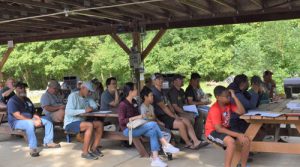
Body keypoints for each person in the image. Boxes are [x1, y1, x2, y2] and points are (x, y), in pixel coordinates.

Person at [118, 82, 179, 167]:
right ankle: (166, 145)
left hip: (137, 126)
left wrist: (142, 117)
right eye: (135, 89)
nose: (137, 90)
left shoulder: (134, 101)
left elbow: (138, 116)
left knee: (153, 131)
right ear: (130, 92)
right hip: (128, 130)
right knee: (153, 124)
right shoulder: (123, 104)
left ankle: (155, 159)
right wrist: (136, 117)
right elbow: (121, 121)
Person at [151, 73, 206, 149]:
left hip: (169, 114)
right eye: (158, 79)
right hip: (162, 116)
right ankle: (188, 143)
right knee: (180, 124)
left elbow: (169, 104)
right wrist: (174, 116)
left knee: (187, 121)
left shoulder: (162, 91)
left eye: (161, 79)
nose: (161, 80)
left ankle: (196, 141)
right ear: (153, 81)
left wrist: (174, 113)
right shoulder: (154, 92)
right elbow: (164, 107)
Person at [7, 81, 60, 157]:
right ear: (16, 89)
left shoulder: (27, 99)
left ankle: (48, 142)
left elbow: (33, 112)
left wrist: (37, 118)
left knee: (48, 119)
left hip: (30, 119)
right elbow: (17, 116)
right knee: (30, 124)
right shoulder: (12, 100)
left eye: (24, 88)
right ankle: (33, 148)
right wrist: (32, 121)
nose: (23, 90)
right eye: (20, 88)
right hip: (17, 122)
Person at [205, 86, 250, 167]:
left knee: (246, 139)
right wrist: (237, 135)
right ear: (218, 97)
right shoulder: (215, 109)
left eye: (229, 95)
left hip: (225, 128)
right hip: (212, 131)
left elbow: (242, 111)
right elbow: (218, 129)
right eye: (227, 96)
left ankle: (243, 165)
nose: (229, 98)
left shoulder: (228, 104)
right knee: (231, 142)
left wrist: (234, 96)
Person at [64, 81, 104, 160]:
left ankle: (94, 148)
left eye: (91, 92)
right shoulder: (73, 96)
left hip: (82, 122)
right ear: (82, 88)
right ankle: (85, 153)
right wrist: (84, 110)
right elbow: (68, 112)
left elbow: (95, 106)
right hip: (70, 123)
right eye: (89, 91)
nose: (90, 93)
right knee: (89, 125)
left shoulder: (87, 97)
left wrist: (91, 107)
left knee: (99, 124)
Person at [168, 74, 208, 145]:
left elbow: (186, 102)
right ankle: (185, 139)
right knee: (190, 118)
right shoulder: (172, 92)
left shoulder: (181, 90)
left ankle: (197, 137)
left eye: (182, 79)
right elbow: (175, 107)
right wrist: (185, 112)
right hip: (178, 112)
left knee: (199, 116)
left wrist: (191, 110)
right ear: (175, 81)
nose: (182, 81)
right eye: (180, 79)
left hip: (185, 109)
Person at [185, 72, 211, 139]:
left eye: (199, 80)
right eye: (197, 80)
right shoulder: (190, 90)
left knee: (211, 110)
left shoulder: (196, 89)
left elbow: (198, 98)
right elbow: (190, 102)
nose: (198, 82)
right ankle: (207, 132)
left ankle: (208, 131)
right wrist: (203, 103)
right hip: (192, 108)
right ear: (192, 80)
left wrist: (205, 100)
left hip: (197, 106)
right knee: (207, 113)